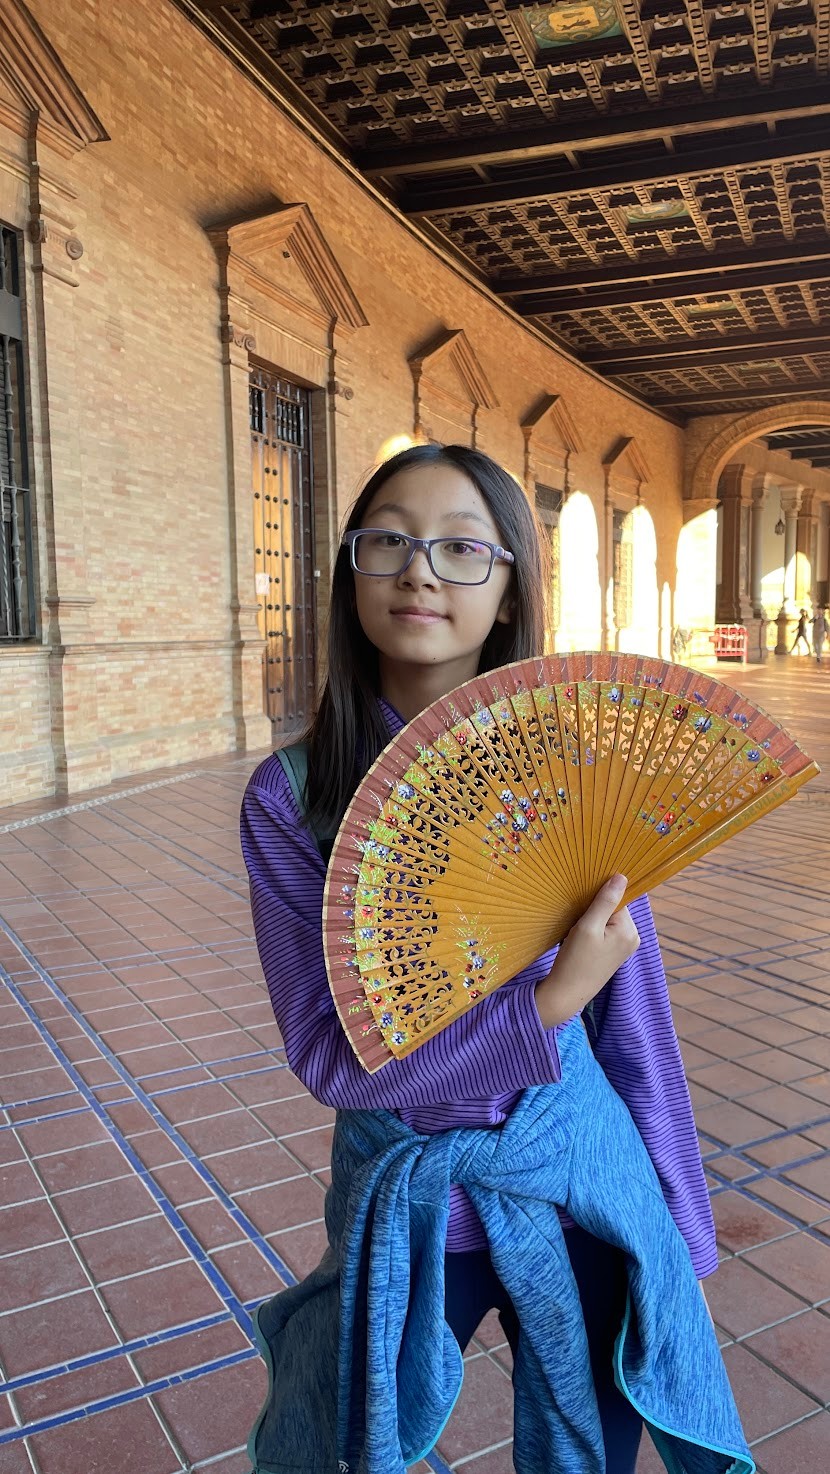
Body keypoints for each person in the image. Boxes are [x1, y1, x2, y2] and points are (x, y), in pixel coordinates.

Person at [240, 444, 750, 1474]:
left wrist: (678, 1233)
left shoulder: (573, 778)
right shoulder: (292, 798)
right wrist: (547, 1000)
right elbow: (333, 1060)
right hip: (402, 1188)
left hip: (577, 1177)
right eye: (386, 538)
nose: (419, 570)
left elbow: (634, 1032)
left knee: (591, 1450)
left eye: (462, 548)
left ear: (511, 580)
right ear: (348, 572)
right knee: (345, 1441)